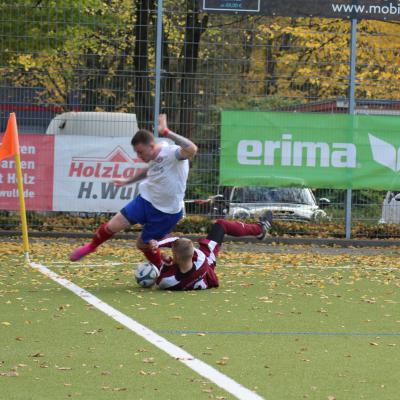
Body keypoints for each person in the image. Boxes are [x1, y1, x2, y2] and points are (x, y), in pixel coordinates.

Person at [69, 114, 198, 266]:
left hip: (167, 212)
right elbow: (149, 171)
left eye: (140, 152)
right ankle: (91, 247)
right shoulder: (154, 155)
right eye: (136, 152)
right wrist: (127, 181)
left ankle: (159, 265)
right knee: (113, 225)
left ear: (151, 146)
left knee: (142, 245)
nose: (138, 156)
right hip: (146, 200)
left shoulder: (172, 153)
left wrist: (167, 132)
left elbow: (192, 149)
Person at [150, 211, 273, 291]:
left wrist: (165, 260)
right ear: (193, 253)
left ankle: (260, 229)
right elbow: (179, 241)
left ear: (176, 257)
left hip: (199, 278)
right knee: (221, 225)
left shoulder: (168, 281)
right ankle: (259, 229)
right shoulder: (200, 258)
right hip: (208, 263)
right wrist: (161, 250)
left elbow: (160, 278)